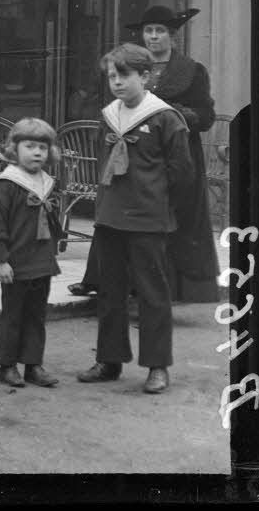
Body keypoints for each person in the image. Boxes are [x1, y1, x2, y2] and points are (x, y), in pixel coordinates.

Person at [67, 5, 219, 303]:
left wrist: (172, 114)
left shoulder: (192, 70)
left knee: (169, 218)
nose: (152, 36)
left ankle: (166, 290)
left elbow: (206, 116)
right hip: (135, 152)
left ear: (172, 35)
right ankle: (103, 279)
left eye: (159, 31)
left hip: (177, 152)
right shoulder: (130, 65)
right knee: (120, 210)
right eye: (148, 31)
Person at [76, 44, 193, 395]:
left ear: (145, 76)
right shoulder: (109, 114)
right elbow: (102, 160)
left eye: (124, 75)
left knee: (152, 294)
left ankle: (157, 367)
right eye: (112, 76)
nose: (117, 82)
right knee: (109, 292)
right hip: (111, 217)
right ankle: (109, 361)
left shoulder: (165, 118)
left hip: (147, 219)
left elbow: (182, 174)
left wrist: (154, 203)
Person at [0, 117, 65, 389]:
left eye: (43, 147)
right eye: (30, 146)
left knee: (36, 315)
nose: (37, 153)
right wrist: (1, 260)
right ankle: (7, 365)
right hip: (16, 262)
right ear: (14, 149)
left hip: (41, 261)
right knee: (13, 314)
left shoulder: (47, 183)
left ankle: (34, 364)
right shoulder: (7, 183)